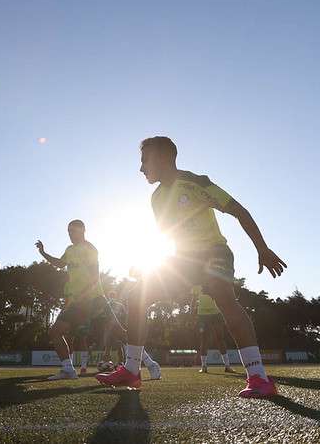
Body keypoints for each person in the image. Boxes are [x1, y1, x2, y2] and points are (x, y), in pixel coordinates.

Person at [96, 136, 286, 398]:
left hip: (213, 252)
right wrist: (147, 266)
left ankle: (258, 377)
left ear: (163, 158)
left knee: (225, 301)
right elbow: (167, 236)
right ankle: (131, 369)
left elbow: (238, 210)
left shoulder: (197, 183)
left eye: (144, 161)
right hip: (184, 261)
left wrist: (262, 248)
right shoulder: (157, 198)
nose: (141, 169)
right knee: (137, 296)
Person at [36, 220, 104, 380]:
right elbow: (59, 263)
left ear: (83, 230)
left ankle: (69, 369)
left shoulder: (90, 249)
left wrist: (85, 296)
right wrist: (43, 252)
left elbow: (95, 277)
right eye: (68, 231)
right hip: (77, 301)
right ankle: (68, 369)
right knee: (58, 332)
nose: (70, 234)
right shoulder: (70, 249)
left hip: (90, 300)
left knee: (58, 332)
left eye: (73, 231)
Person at [195, 292, 235, 373]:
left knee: (220, 338)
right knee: (204, 339)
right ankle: (204, 366)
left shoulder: (213, 281)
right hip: (202, 315)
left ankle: (227, 366)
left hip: (216, 313)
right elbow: (193, 298)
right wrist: (191, 314)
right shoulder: (196, 283)